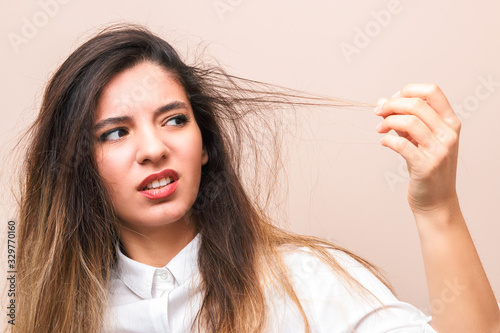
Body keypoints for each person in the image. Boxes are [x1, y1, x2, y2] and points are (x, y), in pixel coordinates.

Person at [12, 24, 499, 333]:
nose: (155, 148)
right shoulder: (50, 318)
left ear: (205, 147)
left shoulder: (307, 283)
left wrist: (438, 210)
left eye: (175, 119)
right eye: (115, 132)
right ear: (79, 168)